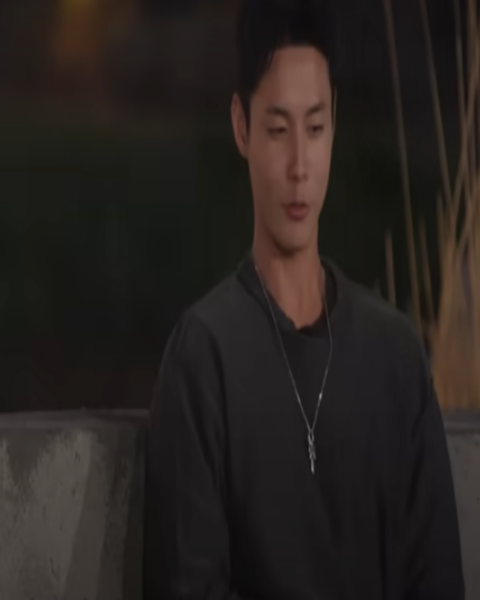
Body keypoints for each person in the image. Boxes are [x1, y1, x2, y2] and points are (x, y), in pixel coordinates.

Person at [142, 1, 465, 599]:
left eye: (314, 129)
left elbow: (438, 580)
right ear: (241, 127)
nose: (299, 167)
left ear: (333, 125)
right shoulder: (205, 357)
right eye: (277, 129)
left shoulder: (395, 355)